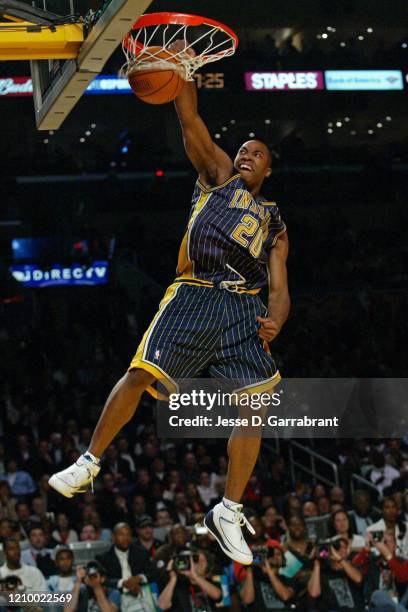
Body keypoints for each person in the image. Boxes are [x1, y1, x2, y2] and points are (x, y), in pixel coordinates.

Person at [49, 40, 290, 567]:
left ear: (269, 170)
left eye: (257, 153)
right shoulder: (218, 177)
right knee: (140, 374)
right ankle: (89, 461)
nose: (246, 154)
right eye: (243, 148)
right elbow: (189, 118)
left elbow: (280, 285)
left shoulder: (275, 221)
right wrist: (182, 70)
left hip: (243, 309)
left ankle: (227, 510)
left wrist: (276, 320)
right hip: (196, 292)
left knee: (258, 402)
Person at [308, 537, 364, 611]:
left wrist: (340, 559)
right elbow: (314, 593)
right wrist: (317, 563)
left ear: (348, 550)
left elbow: (358, 579)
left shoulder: (354, 566)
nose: (339, 550)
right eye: (336, 547)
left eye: (343, 547)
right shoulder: (322, 572)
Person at [239, 540, 296, 610]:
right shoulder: (252, 579)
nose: (275, 557)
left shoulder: (287, 578)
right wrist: (250, 569)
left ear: (283, 559)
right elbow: (247, 600)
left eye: (278, 554)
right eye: (271, 554)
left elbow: (285, 596)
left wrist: (269, 570)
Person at [157, 550, 222, 611]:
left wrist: (195, 576)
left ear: (207, 567)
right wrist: (173, 578)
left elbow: (217, 595)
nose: (198, 562)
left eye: (202, 560)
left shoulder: (211, 583)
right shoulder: (177, 585)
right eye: (196, 559)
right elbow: (162, 605)